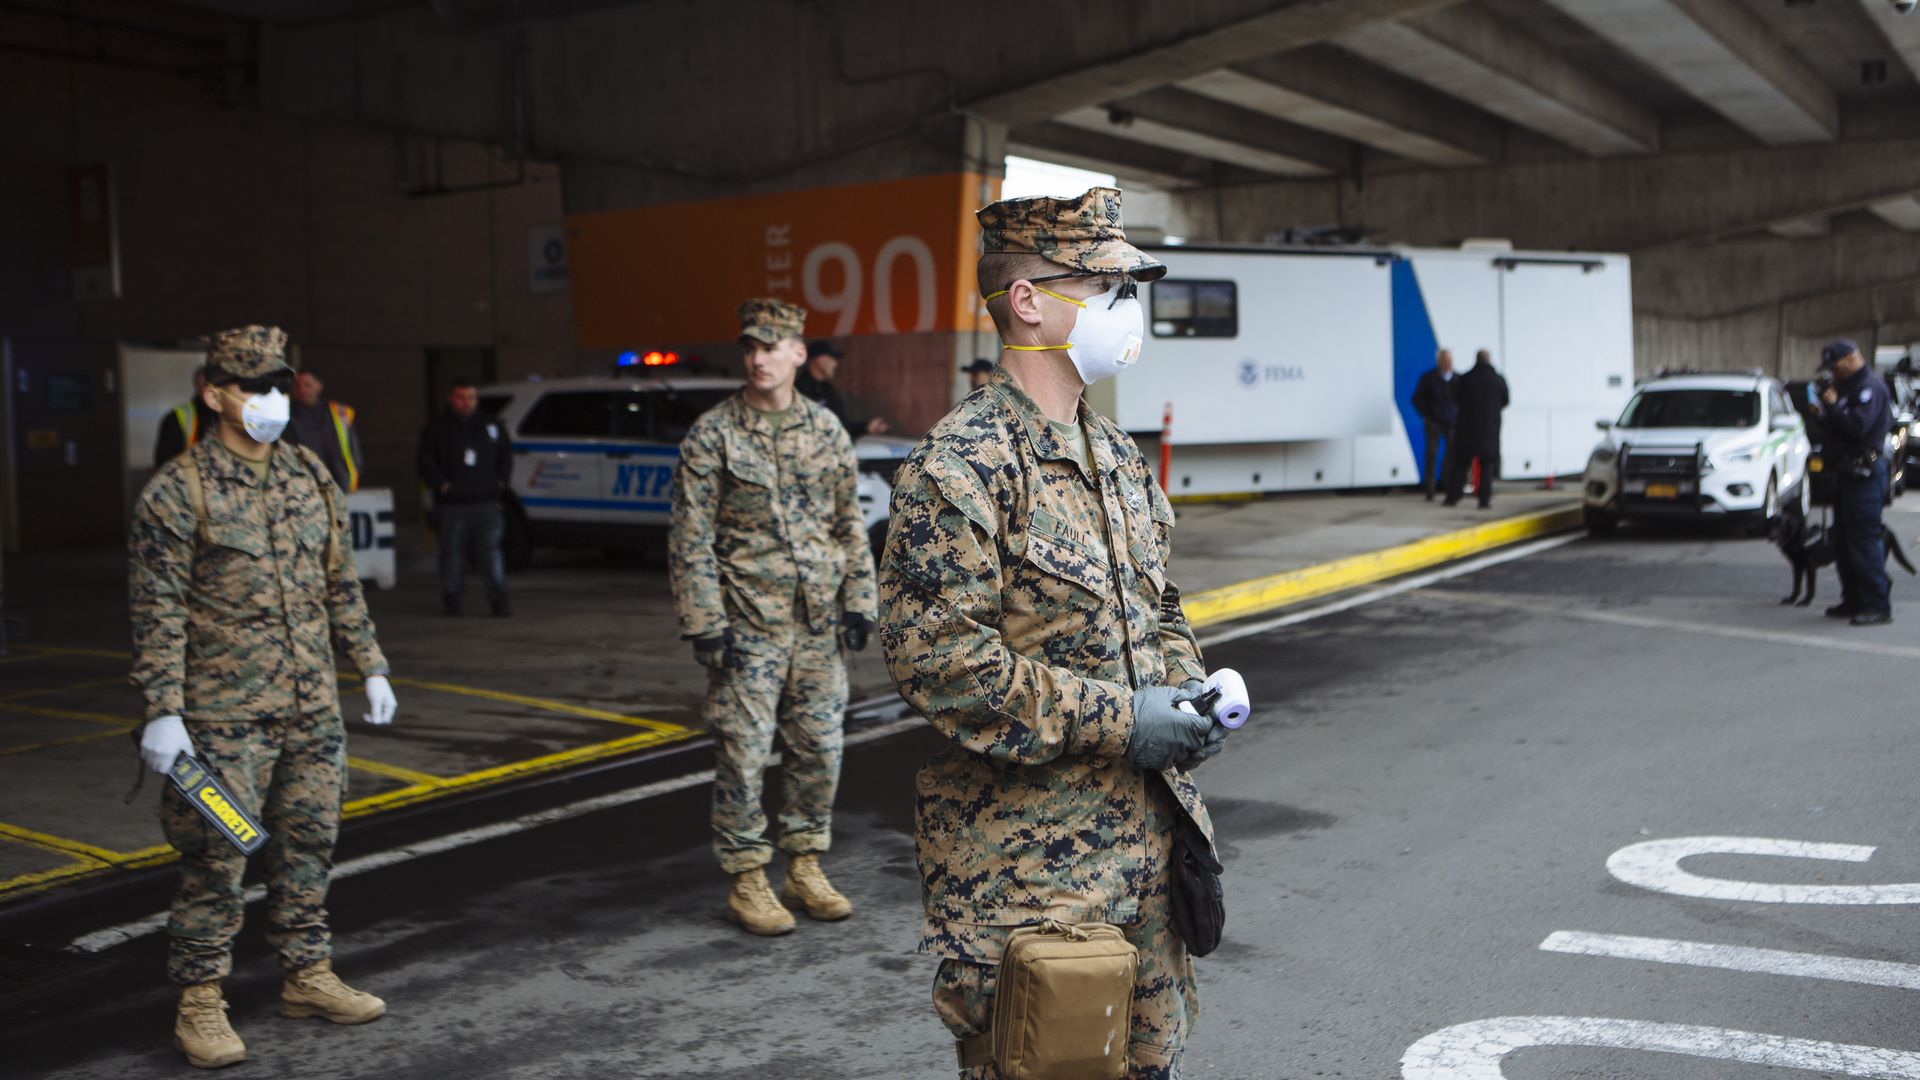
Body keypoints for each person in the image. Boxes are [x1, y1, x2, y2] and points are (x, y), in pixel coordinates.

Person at [878, 187, 1228, 1079]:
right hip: (1032, 881)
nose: (1127, 307)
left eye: (1127, 287)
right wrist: (1125, 719)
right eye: (1105, 286)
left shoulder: (1115, 456)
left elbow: (1161, 609)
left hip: (1146, 861)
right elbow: (941, 662)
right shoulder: (960, 467)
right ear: (1028, 300)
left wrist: (1186, 697)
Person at [129, 325, 397, 1070]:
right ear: (214, 394)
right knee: (217, 857)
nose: (273, 399)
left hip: (311, 707)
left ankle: (307, 977)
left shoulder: (308, 474)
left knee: (309, 844)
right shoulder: (176, 494)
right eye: (255, 387)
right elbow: (157, 611)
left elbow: (339, 581)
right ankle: (201, 1003)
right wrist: (162, 709)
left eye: (281, 385)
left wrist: (370, 665)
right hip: (221, 719)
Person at [669, 298, 878, 937]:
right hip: (746, 625)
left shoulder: (826, 431)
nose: (758, 358)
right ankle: (747, 877)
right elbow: (689, 537)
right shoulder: (714, 435)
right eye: (750, 348)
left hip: (816, 623)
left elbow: (849, 524)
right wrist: (705, 622)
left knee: (819, 748)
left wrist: (860, 601)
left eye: (771, 346)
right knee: (745, 751)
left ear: (797, 352)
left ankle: (805, 864)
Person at [417, 379, 513, 616]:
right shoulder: (436, 428)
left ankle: (499, 599)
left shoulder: (492, 426)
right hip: (452, 506)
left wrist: (500, 483)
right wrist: (442, 486)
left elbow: (506, 457)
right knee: (451, 554)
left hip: (487, 503)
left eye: (471, 397)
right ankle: (452, 599)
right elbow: (425, 461)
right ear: (451, 399)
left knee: (490, 553)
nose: (466, 402)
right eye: (461, 397)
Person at [1817, 338, 1894, 626]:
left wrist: (1835, 407)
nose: (1833, 375)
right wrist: (1824, 414)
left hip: (1864, 476)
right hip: (1845, 475)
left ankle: (1877, 604)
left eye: (1835, 368)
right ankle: (1853, 599)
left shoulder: (1869, 389)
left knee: (1863, 541)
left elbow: (1857, 427)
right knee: (1844, 542)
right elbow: (1837, 429)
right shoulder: (1847, 389)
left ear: (1851, 359)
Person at [1444, 349, 1509, 509]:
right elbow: (1506, 400)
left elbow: (1455, 398)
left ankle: (1453, 497)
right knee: (1487, 465)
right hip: (1489, 429)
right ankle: (1484, 499)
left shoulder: (1466, 379)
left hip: (1467, 429)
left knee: (1460, 464)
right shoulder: (1498, 380)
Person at [290, 369, 365, 493]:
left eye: (307, 385)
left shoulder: (340, 412)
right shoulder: (287, 415)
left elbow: (353, 448)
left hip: (338, 484)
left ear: (319, 386)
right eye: (298, 386)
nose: (302, 390)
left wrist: (353, 473)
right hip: (304, 487)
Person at [797, 338, 891, 435]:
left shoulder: (828, 390)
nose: (835, 363)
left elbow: (841, 427)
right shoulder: (798, 390)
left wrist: (866, 427)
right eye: (831, 358)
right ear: (818, 359)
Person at [1411, 348, 1458, 501]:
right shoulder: (1429, 378)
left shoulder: (1458, 379)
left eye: (1449, 361)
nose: (1447, 364)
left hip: (1452, 422)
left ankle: (1448, 485)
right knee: (1431, 455)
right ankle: (1430, 489)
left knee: (1452, 455)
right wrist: (1427, 415)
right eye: (1444, 361)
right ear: (1438, 362)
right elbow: (1417, 399)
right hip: (1434, 422)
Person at [153, 366, 218, 467]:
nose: (209, 391)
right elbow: (164, 463)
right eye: (205, 385)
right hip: (191, 478)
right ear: (196, 385)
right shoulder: (176, 418)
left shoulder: (231, 414)